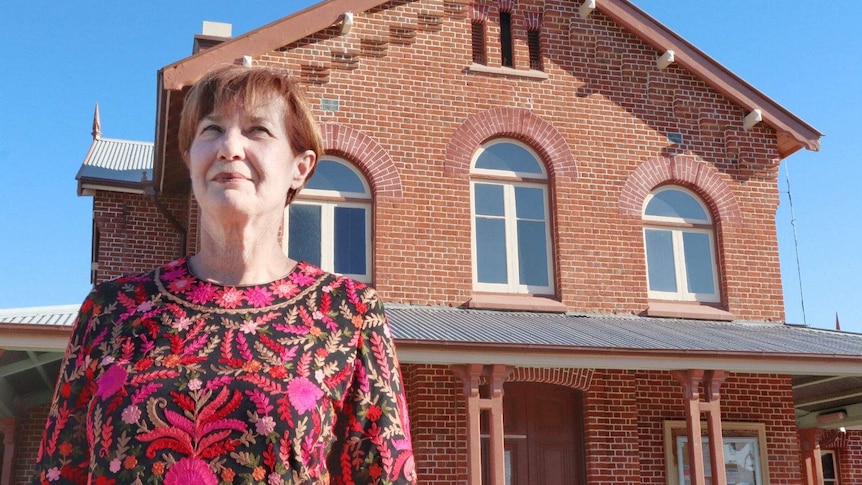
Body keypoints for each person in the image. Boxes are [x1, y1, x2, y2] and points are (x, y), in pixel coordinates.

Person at [32, 65, 416, 485]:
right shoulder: (108, 311)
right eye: (211, 130)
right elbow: (58, 472)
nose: (229, 147)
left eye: (257, 130)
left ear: (300, 167)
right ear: (190, 158)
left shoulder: (350, 315)